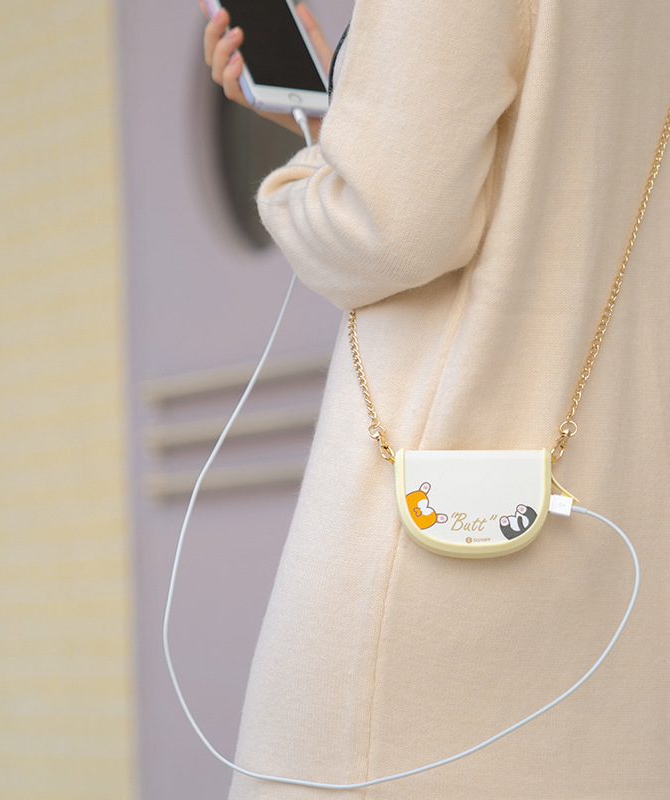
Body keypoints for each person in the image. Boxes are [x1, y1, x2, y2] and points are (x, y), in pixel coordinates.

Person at [203, 1, 670, 797]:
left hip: (425, 609)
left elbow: (392, 225)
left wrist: (296, 187)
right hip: (617, 547)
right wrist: (350, 112)